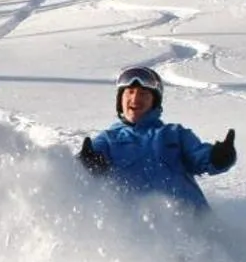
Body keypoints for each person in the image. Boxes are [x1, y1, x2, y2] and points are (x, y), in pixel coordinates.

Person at [77, 65, 236, 210]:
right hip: (140, 231)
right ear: (120, 100)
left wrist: (218, 157)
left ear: (154, 102)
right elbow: (75, 173)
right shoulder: (108, 140)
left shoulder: (174, 134)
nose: (135, 98)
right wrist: (87, 163)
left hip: (191, 223)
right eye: (130, 92)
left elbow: (200, 157)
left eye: (144, 93)